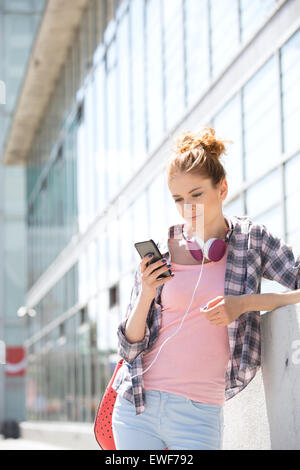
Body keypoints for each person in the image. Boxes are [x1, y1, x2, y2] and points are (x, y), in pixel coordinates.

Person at [111, 126, 300, 450]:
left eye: (196, 194)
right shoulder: (162, 251)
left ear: (222, 188)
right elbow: (128, 348)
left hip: (200, 415)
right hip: (137, 405)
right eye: (178, 199)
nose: (188, 208)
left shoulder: (252, 241)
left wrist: (245, 304)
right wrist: (145, 292)